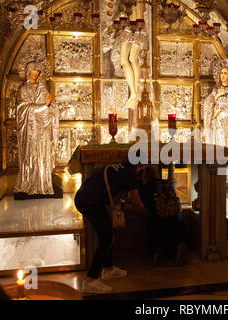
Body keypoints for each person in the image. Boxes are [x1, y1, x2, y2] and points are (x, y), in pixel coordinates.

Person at [74, 160, 146, 294]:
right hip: (90, 202)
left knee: (107, 233)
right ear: (138, 166)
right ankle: (90, 280)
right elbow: (137, 202)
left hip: (84, 197)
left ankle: (109, 269)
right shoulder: (130, 173)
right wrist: (146, 211)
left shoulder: (118, 166)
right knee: (107, 238)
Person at [14, 59, 58, 196]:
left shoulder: (42, 89)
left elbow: (51, 106)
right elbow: (22, 109)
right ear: (28, 71)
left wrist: (51, 107)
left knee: (42, 155)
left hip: (42, 129)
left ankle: (43, 183)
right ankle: (29, 183)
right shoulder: (23, 90)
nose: (36, 73)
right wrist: (43, 107)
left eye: (38, 70)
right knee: (31, 155)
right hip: (30, 130)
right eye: (34, 69)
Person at [137, 166, 189, 266]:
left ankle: (155, 251)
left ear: (145, 177)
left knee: (153, 228)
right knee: (174, 234)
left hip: (159, 221)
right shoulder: (167, 183)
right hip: (177, 219)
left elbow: (142, 205)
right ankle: (179, 247)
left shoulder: (146, 187)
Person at [203, 59, 228, 178]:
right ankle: (220, 176)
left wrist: (221, 109)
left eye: (226, 73)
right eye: (221, 73)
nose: (223, 75)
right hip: (218, 126)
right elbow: (207, 104)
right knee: (219, 148)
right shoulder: (215, 90)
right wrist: (214, 105)